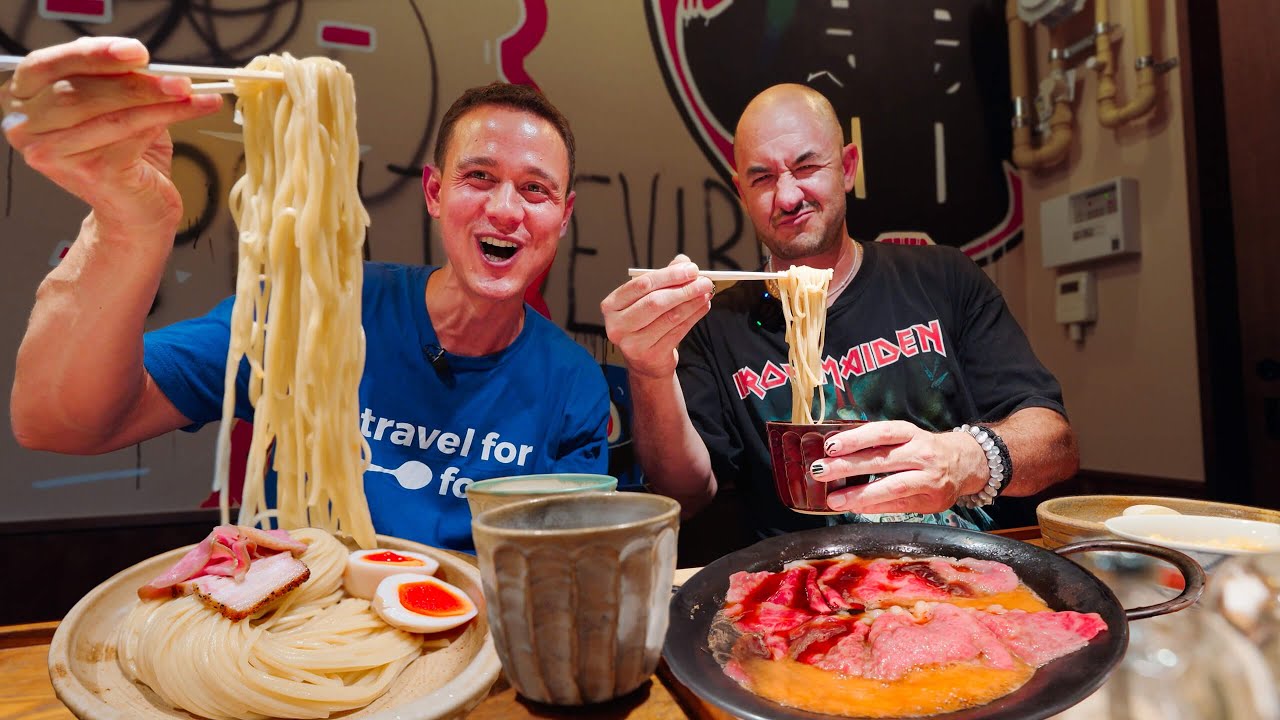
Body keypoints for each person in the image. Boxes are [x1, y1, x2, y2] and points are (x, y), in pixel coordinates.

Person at [4, 37, 608, 551]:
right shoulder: (311, 309)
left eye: (536, 190)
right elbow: (59, 424)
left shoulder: (573, 383)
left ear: (563, 215)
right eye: (478, 177)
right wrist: (125, 224)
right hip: (297, 623)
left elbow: (560, 568)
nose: (505, 210)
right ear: (433, 192)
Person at [602, 83, 1077, 539]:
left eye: (807, 167)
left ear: (848, 167)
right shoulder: (716, 326)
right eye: (762, 177)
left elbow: (1055, 443)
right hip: (803, 585)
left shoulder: (943, 278)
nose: (787, 197)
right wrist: (649, 371)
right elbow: (684, 495)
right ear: (741, 192)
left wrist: (964, 459)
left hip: (964, 570)